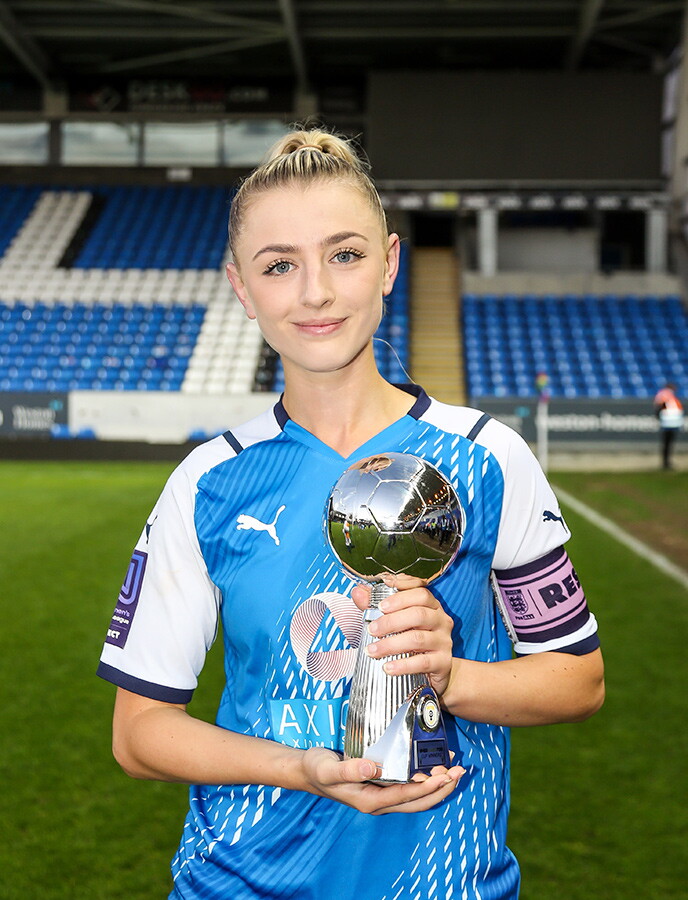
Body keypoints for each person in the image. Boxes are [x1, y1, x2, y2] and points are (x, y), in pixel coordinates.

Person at [98, 128, 605, 900]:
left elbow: (577, 681)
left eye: (345, 254)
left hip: (445, 883)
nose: (316, 293)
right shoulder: (207, 482)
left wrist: (451, 676)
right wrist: (298, 769)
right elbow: (137, 735)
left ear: (390, 263)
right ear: (241, 288)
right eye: (279, 266)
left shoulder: (488, 457)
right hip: (237, 881)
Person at [653, 381, 684, 470]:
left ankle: (666, 462)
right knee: (667, 443)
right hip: (669, 422)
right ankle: (666, 463)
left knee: (668, 443)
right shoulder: (665, 395)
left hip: (670, 422)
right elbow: (659, 406)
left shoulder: (667, 395)